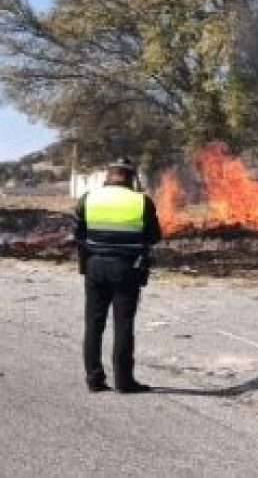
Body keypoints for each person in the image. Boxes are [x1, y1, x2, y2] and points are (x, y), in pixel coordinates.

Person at [74, 158, 161, 393]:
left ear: (108, 175)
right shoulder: (141, 201)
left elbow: (78, 234)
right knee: (123, 324)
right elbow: (154, 236)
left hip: (94, 266)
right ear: (131, 178)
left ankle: (94, 379)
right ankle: (124, 381)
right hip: (127, 268)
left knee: (93, 323)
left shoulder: (88, 199)